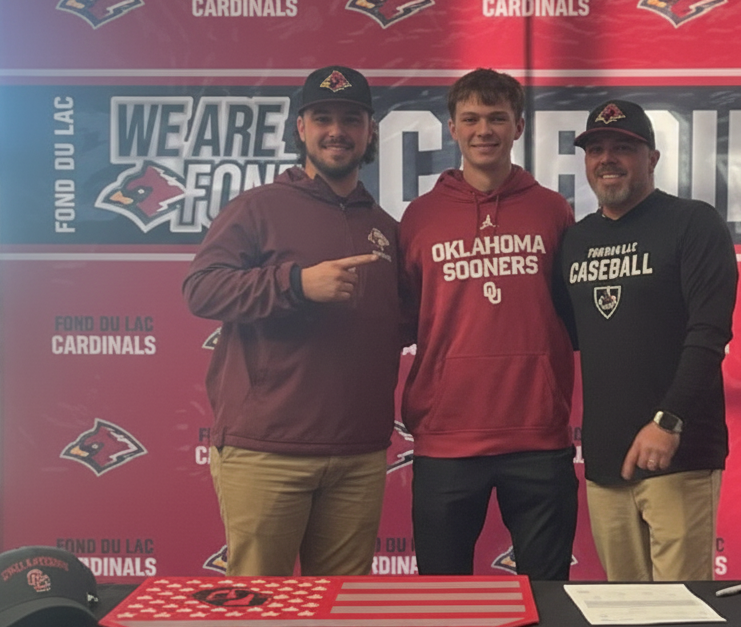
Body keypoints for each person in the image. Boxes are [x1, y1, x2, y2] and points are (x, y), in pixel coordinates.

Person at [182, 65, 400, 577]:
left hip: (358, 454)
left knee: (344, 617)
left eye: (351, 118)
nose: (337, 131)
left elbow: (402, 320)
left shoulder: (385, 226)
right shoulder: (258, 208)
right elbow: (201, 288)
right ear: (300, 128)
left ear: (370, 131)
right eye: (322, 117)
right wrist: (297, 284)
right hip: (267, 450)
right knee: (260, 614)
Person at [398, 68, 579, 580]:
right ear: (451, 128)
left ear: (519, 126)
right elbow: (407, 316)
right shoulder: (420, 216)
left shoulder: (552, 209)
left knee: (550, 601)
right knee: (443, 598)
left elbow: (568, 309)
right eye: (471, 118)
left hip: (538, 436)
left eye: (497, 118)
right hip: (447, 436)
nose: (484, 130)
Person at [559, 99, 738, 582]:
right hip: (604, 462)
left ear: (652, 158)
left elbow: (709, 334)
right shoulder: (575, 241)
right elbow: (574, 336)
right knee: (626, 615)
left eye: (623, 147)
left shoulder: (692, 223)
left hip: (678, 453)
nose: (607, 158)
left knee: (680, 620)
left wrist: (667, 420)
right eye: (596, 149)